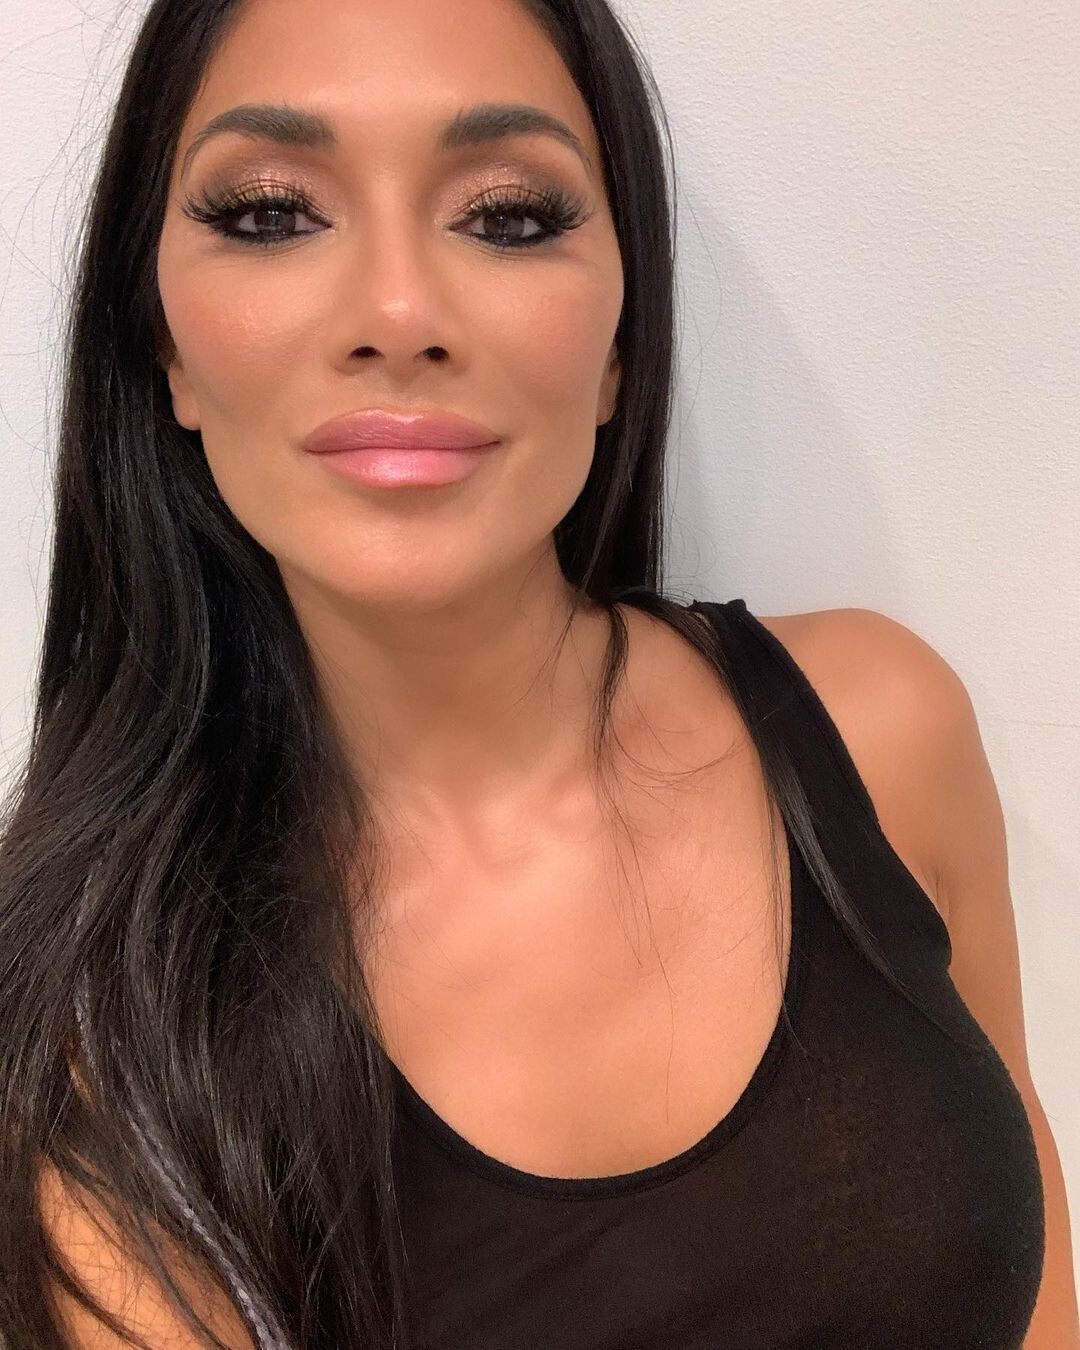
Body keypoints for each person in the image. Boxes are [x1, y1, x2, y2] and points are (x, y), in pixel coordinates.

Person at [1, 0, 1075, 1346]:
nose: (398, 314)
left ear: (621, 343)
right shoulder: (94, 1036)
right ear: (165, 349)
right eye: (272, 213)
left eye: (508, 216)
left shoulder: (881, 731)